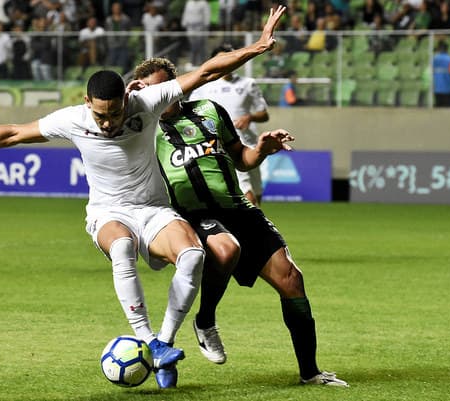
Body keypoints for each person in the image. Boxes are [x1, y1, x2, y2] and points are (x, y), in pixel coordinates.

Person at [0, 4, 287, 389]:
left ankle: (163, 342)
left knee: (193, 255)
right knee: (123, 247)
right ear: (87, 103)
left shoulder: (147, 102)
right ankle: (147, 340)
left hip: (154, 209)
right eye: (101, 116)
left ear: (126, 100)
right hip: (108, 212)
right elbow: (11, 133)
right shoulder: (73, 119)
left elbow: (207, 70)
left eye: (114, 114)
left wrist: (257, 47)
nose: (109, 123)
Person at [131, 56, 349, 389]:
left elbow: (242, 159)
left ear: (178, 86)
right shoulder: (141, 129)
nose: (157, 94)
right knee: (224, 248)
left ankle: (311, 373)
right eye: (149, 89)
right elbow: (103, 122)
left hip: (238, 208)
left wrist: (261, 149)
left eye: (163, 86)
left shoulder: (209, 111)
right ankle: (205, 321)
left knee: (292, 280)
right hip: (193, 215)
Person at [189, 43, 270, 207]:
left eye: (230, 58)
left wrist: (249, 117)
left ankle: (255, 229)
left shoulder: (248, 84)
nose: (227, 62)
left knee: (257, 194)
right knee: (247, 195)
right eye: (222, 59)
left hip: (250, 143)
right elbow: (190, 115)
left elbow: (264, 114)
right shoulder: (203, 86)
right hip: (225, 146)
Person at [181, 0, 210, 67]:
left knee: (200, 46)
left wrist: (206, 25)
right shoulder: (189, 2)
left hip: (200, 28)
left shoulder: (203, 3)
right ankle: (192, 62)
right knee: (192, 46)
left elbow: (207, 14)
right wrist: (184, 23)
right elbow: (186, 13)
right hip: (190, 27)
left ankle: (202, 62)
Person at [432, 40, 450, 108]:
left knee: (438, 112)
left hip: (437, 89)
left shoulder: (434, 59)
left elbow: (432, 72)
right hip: (448, 90)